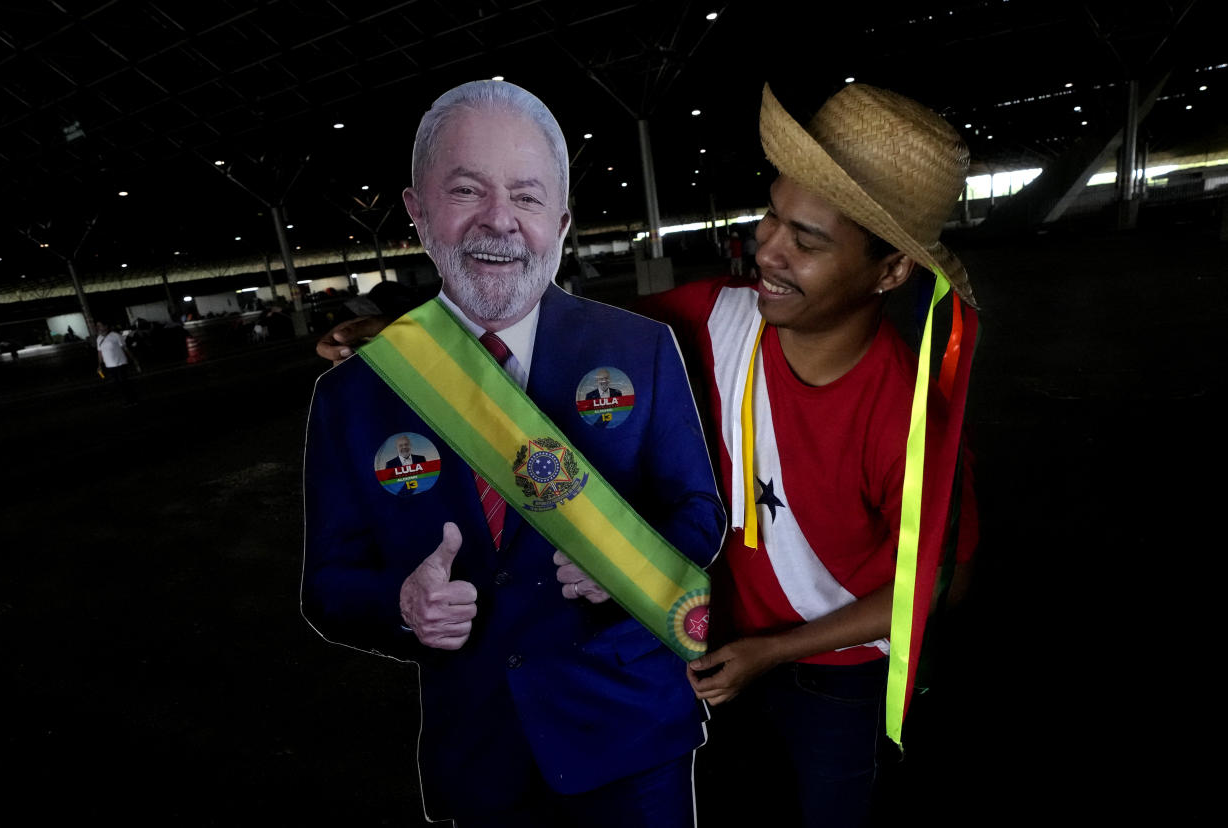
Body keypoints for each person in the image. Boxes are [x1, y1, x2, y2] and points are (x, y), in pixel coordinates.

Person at [301, 80, 724, 828]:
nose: (499, 220)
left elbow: (699, 512)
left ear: (560, 222)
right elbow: (327, 586)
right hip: (481, 749)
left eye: (527, 198)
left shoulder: (641, 348)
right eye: (467, 189)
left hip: (630, 733)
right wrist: (401, 605)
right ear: (418, 211)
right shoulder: (353, 397)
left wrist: (627, 562)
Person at [640, 83, 980, 827]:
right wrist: (427, 336)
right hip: (711, 646)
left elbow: (938, 586)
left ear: (889, 272)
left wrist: (777, 650)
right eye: (772, 216)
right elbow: (571, 338)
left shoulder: (908, 419)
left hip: (838, 678)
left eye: (809, 241)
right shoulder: (712, 315)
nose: (767, 248)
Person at [95, 319, 139, 404]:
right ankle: (128, 399)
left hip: (121, 363)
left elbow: (125, 348)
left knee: (124, 382)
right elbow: (99, 352)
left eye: (99, 325)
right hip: (109, 366)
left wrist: (133, 359)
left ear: (105, 326)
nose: (97, 328)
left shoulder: (115, 335)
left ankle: (132, 399)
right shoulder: (99, 338)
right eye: (97, 326)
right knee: (118, 384)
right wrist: (99, 364)